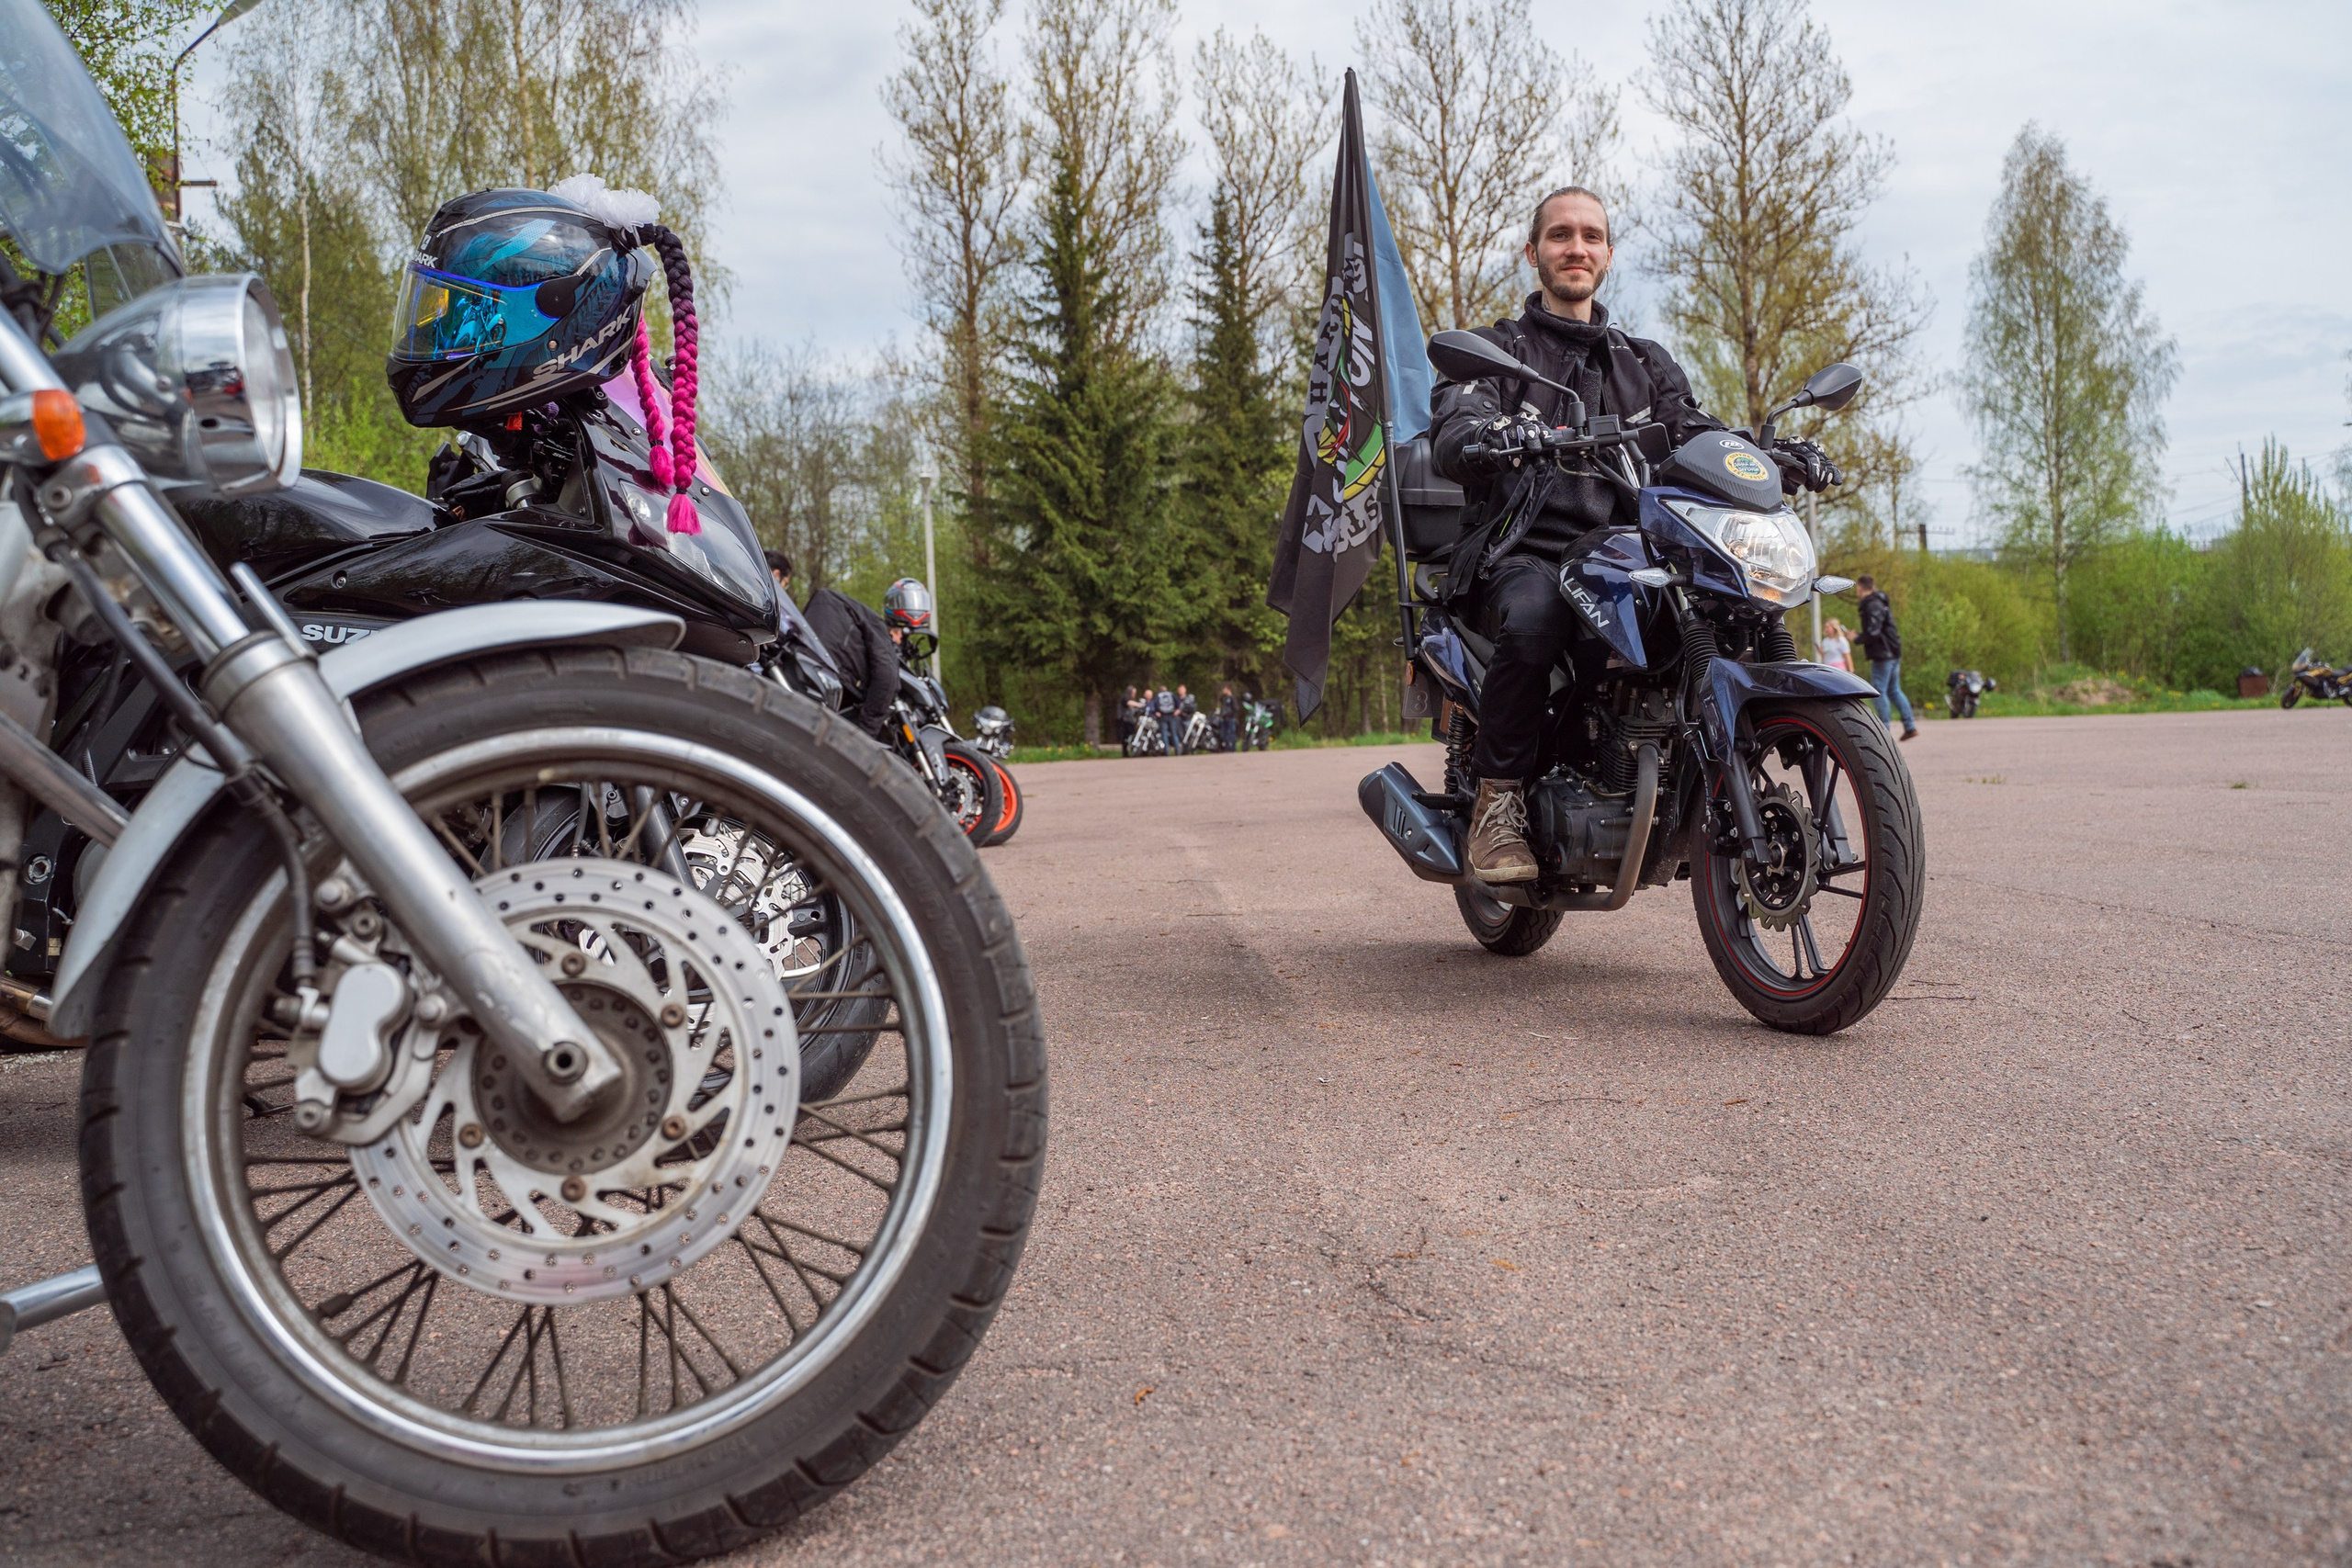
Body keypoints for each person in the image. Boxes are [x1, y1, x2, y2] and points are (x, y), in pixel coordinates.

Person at [1430, 185, 1841, 883]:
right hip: (1525, 548)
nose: (1576, 247)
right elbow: (1454, 428)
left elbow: (1696, 431)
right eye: (1561, 235)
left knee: (1728, 609)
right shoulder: (1500, 352)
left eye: (1591, 236)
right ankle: (1498, 801)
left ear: (1609, 255)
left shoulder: (1643, 362)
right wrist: (1495, 433)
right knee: (1535, 617)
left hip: (1629, 554)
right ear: (1534, 253)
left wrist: (1767, 456)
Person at [767, 548, 899, 739]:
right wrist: (866, 734)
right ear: (777, 574)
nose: (896, 638)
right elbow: (886, 672)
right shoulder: (871, 623)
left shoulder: (818, 606)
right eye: (786, 585)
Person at [1854, 575, 1917, 740]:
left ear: (1861, 588)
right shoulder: (1880, 602)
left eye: (1857, 589)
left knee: (1879, 690)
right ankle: (1910, 726)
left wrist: (1857, 638)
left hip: (1884, 654)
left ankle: (1884, 732)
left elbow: (1873, 632)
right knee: (1894, 690)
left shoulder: (1872, 604)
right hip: (1893, 651)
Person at [1153, 684, 1181, 755]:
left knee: (1164, 734)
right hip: (1172, 715)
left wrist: (1156, 712)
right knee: (1174, 734)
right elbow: (1179, 703)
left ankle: (1167, 752)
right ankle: (1177, 751)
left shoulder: (1158, 696)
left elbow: (1154, 705)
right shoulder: (1171, 694)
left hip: (1162, 716)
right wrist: (1177, 710)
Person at [1215, 685, 1238, 751]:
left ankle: (1233, 748)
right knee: (1224, 733)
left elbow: (1235, 708)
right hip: (1224, 719)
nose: (1223, 691)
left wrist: (1230, 715)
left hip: (1230, 718)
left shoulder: (1232, 698)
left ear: (1228, 690)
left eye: (1224, 689)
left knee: (1231, 733)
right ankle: (1227, 747)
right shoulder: (1224, 698)